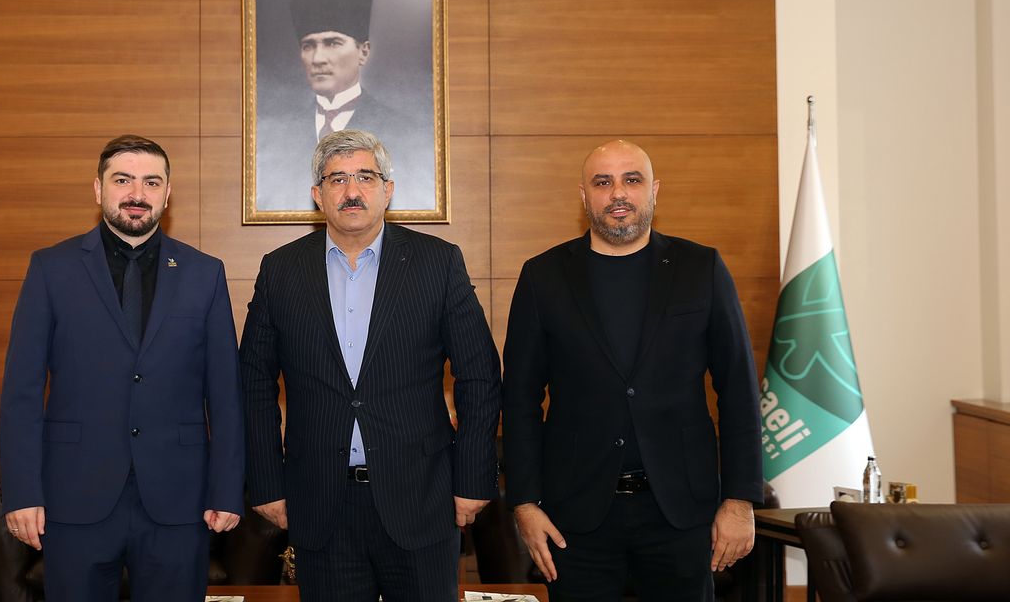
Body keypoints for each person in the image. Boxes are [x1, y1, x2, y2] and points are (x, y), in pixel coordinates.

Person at [240, 129, 501, 601]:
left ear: (388, 190)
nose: (352, 190)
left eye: (365, 176)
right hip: (320, 503)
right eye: (337, 179)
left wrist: (473, 478)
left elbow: (479, 375)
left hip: (421, 500)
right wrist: (265, 482)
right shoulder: (280, 270)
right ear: (318, 195)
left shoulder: (438, 263)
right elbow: (254, 382)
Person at [501, 139, 763, 601]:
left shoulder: (701, 268)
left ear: (654, 190)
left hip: (681, 511)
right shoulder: (543, 276)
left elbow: (739, 390)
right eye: (603, 182)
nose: (617, 193)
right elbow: (519, 399)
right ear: (584, 196)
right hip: (575, 517)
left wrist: (740, 500)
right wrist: (524, 503)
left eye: (632, 180)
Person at [0, 135, 244, 602]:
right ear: (98, 189)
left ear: (168, 193)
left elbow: (226, 395)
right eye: (123, 180)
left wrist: (227, 490)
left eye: (151, 182)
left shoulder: (204, 273)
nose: (137, 193)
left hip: (179, 501)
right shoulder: (51, 269)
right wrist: (23, 492)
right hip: (74, 497)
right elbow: (21, 392)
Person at [254, 0, 435, 212]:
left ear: (363, 52)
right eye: (308, 45)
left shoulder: (407, 131)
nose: (318, 58)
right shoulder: (277, 135)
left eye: (332, 43)